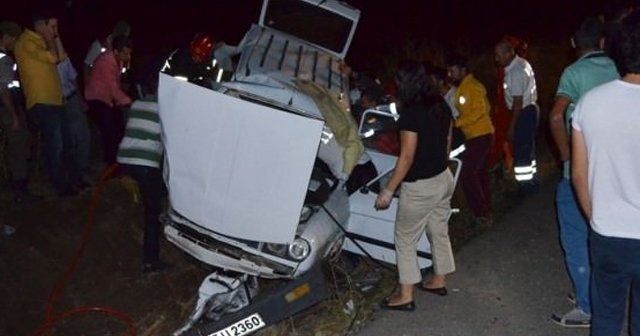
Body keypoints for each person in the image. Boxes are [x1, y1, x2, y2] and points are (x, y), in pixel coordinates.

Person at [571, 10, 640, 336]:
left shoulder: (589, 104)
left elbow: (579, 175)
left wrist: (595, 217)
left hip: (608, 233)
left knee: (607, 319)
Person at [548, 17, 619, 328]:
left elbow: (555, 115)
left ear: (575, 44)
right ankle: (594, 291)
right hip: (615, 169)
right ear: (603, 41)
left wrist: (565, 154)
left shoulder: (574, 73)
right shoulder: (620, 67)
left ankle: (587, 307)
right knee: (605, 234)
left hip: (580, 171)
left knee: (576, 237)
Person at [375, 60, 455, 311]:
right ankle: (439, 280)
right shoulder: (439, 103)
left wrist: (388, 191)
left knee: (405, 237)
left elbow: (406, 157)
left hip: (421, 187)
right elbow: (448, 138)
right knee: (438, 229)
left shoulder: (411, 113)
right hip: (444, 178)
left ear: (402, 84)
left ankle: (406, 295)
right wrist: (439, 162)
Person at [14, 11, 82, 197]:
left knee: (67, 144)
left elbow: (61, 57)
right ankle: (61, 186)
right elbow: (53, 57)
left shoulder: (41, 41)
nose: (54, 31)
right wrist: (50, 37)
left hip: (55, 100)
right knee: (56, 146)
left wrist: (55, 35)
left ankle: (75, 180)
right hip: (42, 102)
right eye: (52, 26)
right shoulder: (26, 42)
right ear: (40, 25)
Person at [117, 83, 169, 274]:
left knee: (159, 190)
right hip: (144, 163)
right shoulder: (166, 109)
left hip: (125, 159)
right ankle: (151, 262)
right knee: (152, 213)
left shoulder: (137, 104)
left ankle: (156, 205)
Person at [446, 54, 494, 223]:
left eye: (452, 71)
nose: (450, 75)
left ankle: (481, 213)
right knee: (479, 173)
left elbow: (481, 110)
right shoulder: (463, 87)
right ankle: (486, 209)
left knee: (467, 173)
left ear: (462, 70)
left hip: (480, 135)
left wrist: (457, 122)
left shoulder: (473, 86)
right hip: (473, 136)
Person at [0, 21, 40, 203]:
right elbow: (4, 89)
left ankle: (14, 181)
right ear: (6, 37)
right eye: (14, 38)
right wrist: (14, 115)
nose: (15, 42)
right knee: (19, 144)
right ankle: (20, 190)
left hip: (7, 109)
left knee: (14, 145)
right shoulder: (4, 59)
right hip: (8, 109)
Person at [494, 39, 539, 194]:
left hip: (524, 112)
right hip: (530, 109)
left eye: (499, 55)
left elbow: (518, 102)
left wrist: (512, 127)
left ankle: (525, 189)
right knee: (528, 149)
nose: (496, 59)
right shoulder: (522, 64)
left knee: (521, 152)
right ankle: (532, 182)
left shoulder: (515, 71)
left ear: (509, 53)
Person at [85, 35, 132, 166]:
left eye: (129, 53)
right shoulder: (106, 62)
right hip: (96, 98)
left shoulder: (120, 60)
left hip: (108, 99)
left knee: (118, 129)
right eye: (125, 53)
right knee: (110, 132)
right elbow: (114, 89)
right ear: (116, 51)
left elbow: (117, 85)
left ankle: (115, 163)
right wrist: (130, 103)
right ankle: (111, 166)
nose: (128, 56)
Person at [56, 31, 92, 179]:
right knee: (67, 138)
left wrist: (80, 99)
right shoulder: (42, 60)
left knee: (83, 134)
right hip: (56, 103)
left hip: (72, 99)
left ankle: (82, 166)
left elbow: (73, 78)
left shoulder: (64, 59)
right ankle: (70, 170)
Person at [161, 33, 237, 89]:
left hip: (191, 91)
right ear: (192, 46)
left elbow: (213, 73)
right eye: (196, 54)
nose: (197, 58)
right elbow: (189, 73)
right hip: (170, 87)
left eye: (201, 56)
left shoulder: (206, 61)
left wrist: (230, 76)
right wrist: (205, 72)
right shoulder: (180, 57)